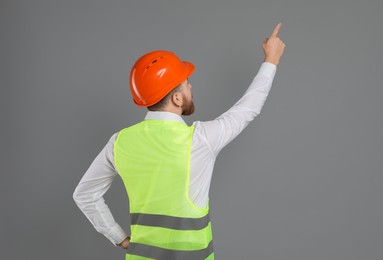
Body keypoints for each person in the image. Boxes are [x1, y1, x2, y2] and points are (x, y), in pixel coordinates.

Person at [73, 22, 285, 260]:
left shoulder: (119, 142)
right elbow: (248, 109)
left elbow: (85, 194)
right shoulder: (200, 140)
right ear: (176, 98)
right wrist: (272, 60)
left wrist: (118, 236)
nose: (191, 86)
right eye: (186, 84)